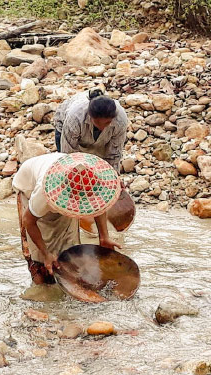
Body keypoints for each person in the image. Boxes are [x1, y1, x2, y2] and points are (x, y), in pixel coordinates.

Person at [13, 152, 123, 285]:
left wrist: (104, 237)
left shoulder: (89, 181)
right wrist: (46, 254)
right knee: (40, 261)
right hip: (29, 188)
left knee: (70, 250)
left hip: (64, 182)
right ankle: (42, 291)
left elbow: (98, 205)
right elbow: (28, 221)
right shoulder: (42, 193)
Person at [53, 89, 129, 171]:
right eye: (97, 122)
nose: (102, 127)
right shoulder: (76, 117)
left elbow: (114, 155)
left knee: (99, 168)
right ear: (90, 116)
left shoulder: (120, 121)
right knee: (68, 167)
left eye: (107, 123)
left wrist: (113, 174)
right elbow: (69, 156)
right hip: (64, 125)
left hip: (86, 131)